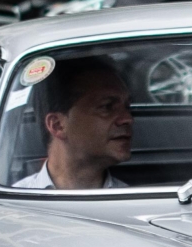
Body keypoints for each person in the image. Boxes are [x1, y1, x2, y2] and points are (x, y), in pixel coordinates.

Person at [14, 56, 132, 189]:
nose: (127, 119)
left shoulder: (135, 205)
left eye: (128, 107)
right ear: (57, 125)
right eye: (107, 106)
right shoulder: (10, 203)